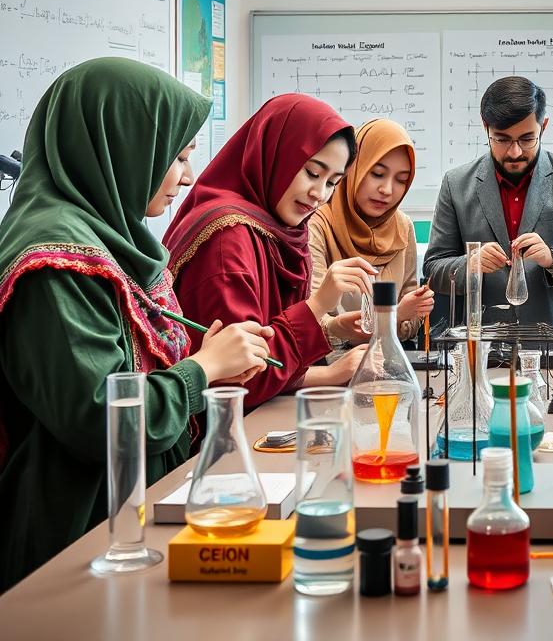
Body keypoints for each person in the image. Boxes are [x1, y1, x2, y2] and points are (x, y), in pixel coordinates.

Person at [0, 59, 273, 591]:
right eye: (178, 156)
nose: (188, 176)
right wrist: (199, 371)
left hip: (128, 518)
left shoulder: (114, 237)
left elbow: (133, 370)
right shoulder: (53, 260)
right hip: (76, 547)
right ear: (122, 147)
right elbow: (98, 420)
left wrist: (209, 368)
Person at [164, 93, 373, 409]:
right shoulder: (228, 237)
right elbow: (242, 379)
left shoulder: (280, 230)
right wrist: (318, 305)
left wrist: (329, 335)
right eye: (312, 173)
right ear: (276, 155)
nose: (319, 194)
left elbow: (276, 365)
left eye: (332, 182)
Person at [423, 76, 553, 344]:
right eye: (501, 139)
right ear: (485, 127)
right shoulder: (456, 184)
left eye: (527, 139)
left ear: (543, 127)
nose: (514, 152)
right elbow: (433, 269)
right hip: (481, 346)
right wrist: (470, 264)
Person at [309, 119, 433, 344]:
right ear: (353, 167)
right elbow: (311, 320)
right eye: (376, 173)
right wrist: (395, 314)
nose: (387, 190)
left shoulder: (402, 227)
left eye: (401, 180)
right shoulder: (317, 223)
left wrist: (414, 309)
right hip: (329, 371)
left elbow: (411, 325)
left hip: (389, 363)